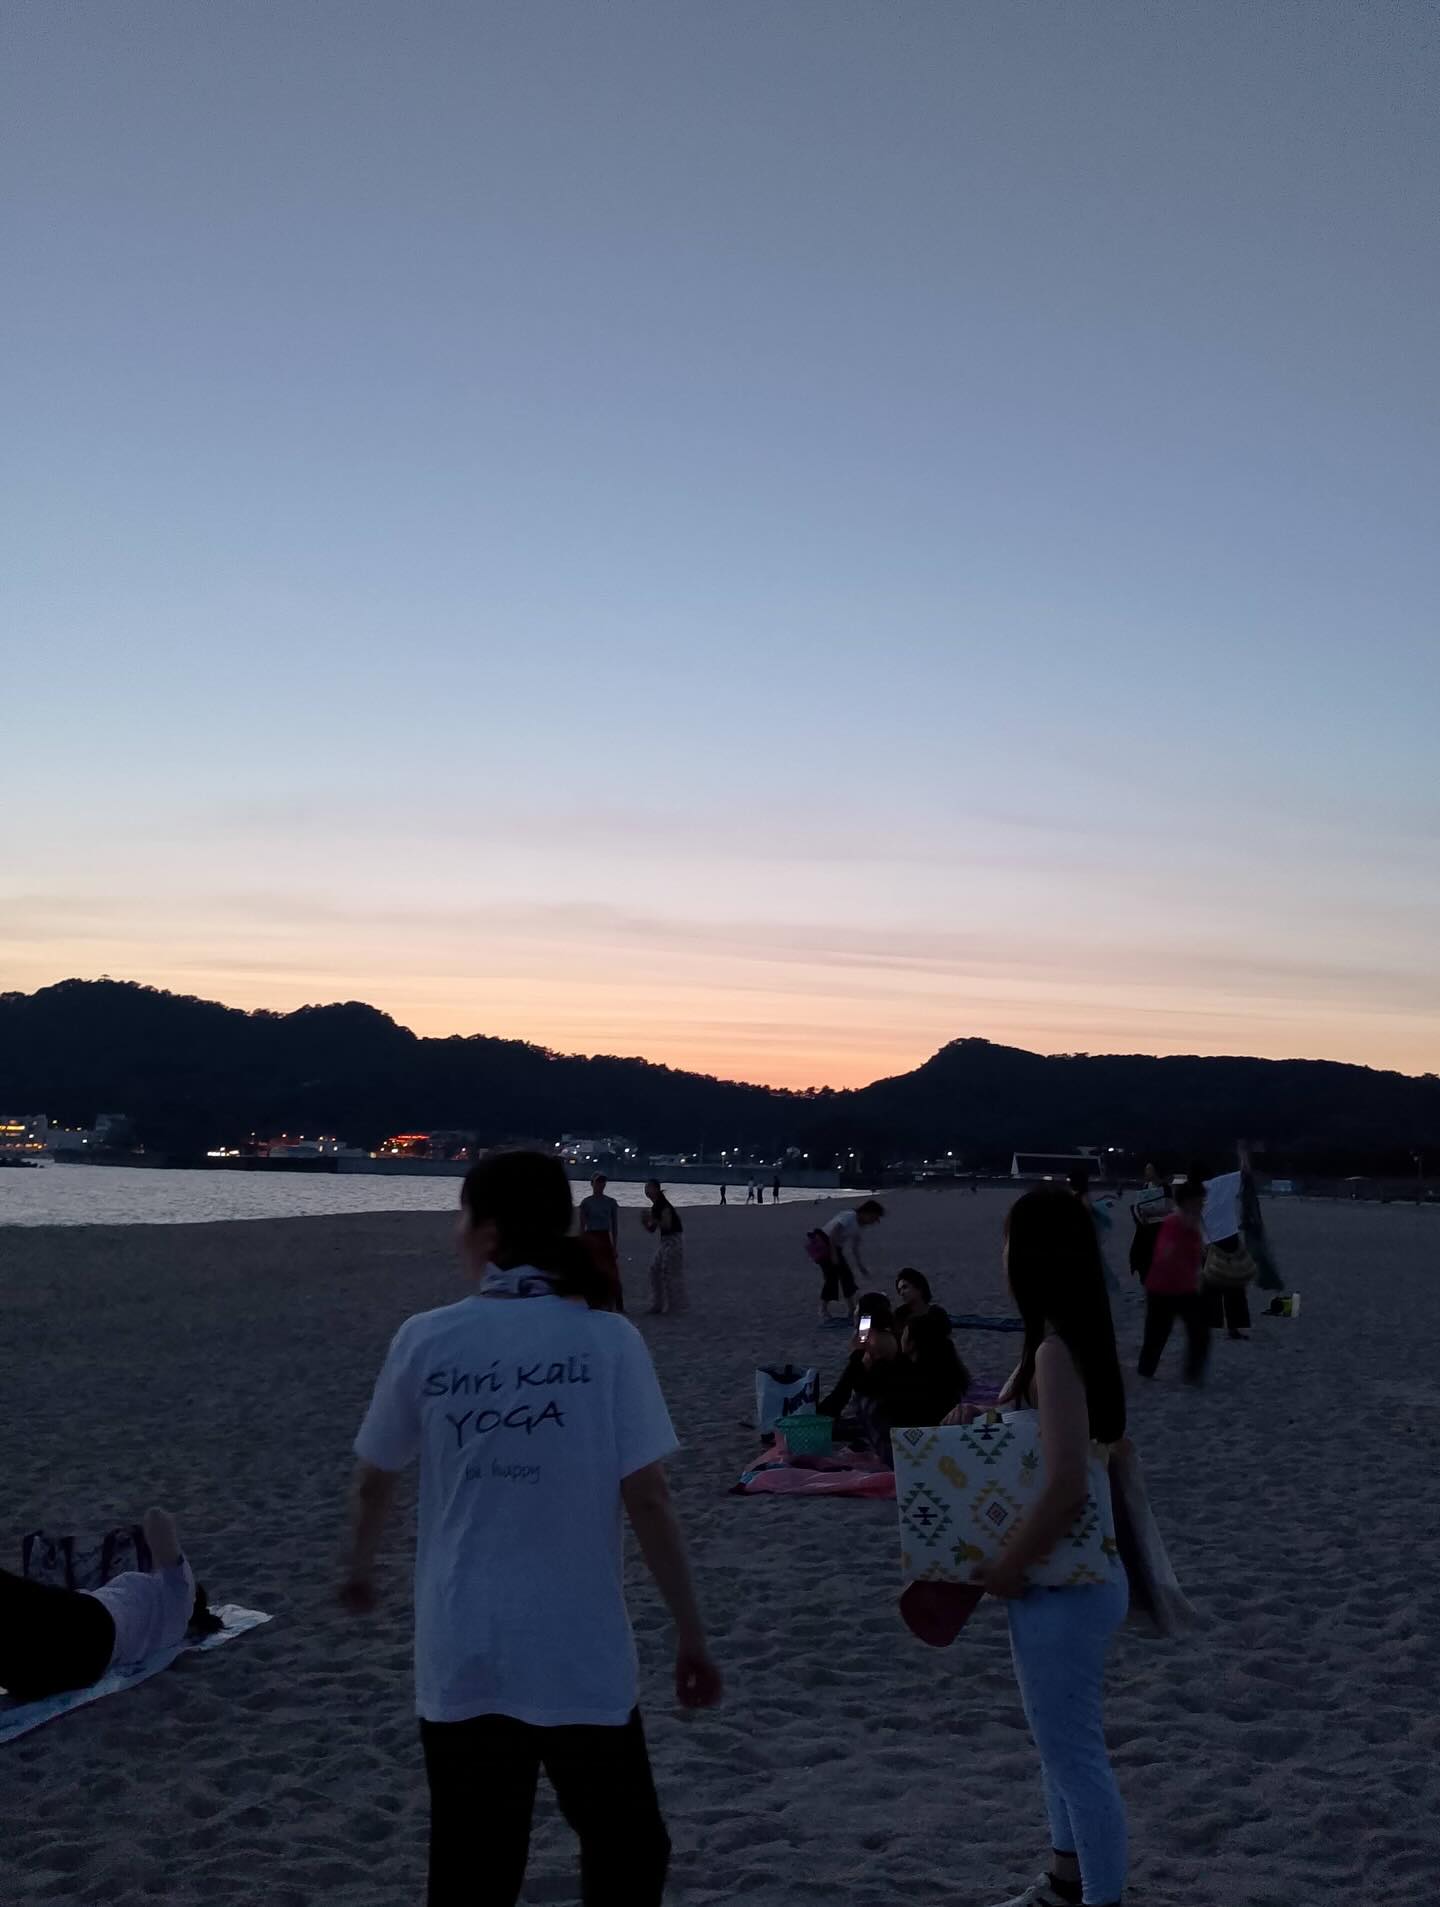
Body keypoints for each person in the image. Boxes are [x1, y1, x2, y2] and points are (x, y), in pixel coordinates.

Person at [341, 1149, 721, 1907]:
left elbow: (375, 1476)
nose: (456, 1233)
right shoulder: (607, 1340)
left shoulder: (427, 1338)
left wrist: (358, 1566)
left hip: (463, 1642)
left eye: (461, 1217)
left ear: (486, 1233)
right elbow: (649, 1499)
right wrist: (690, 1632)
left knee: (474, 1865)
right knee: (626, 1847)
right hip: (576, 1648)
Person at [978, 1187, 1129, 1907]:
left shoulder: (1055, 1351)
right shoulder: (1067, 1340)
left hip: (1063, 1582)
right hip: (1072, 1578)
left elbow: (1067, 1481)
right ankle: (1066, 1882)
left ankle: (1098, 1896)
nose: (1002, 1255)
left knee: (1075, 1757)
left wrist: (1009, 1565)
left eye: (1008, 1240)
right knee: (1058, 1746)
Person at [0, 1507, 217, 1703]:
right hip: (88, 1663)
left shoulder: (181, 1594)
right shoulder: (169, 1623)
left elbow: (156, 1518)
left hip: (93, 1626)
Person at [1136, 1179, 1210, 1383]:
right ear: (1188, 1202)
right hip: (1161, 1290)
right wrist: (1173, 1250)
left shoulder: (1194, 1224)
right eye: (1199, 1201)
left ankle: (1192, 1375)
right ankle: (1145, 1372)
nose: (1202, 1205)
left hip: (1185, 1289)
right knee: (1157, 1335)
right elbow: (1164, 1253)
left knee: (1199, 1331)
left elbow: (1197, 1256)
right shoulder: (1173, 1222)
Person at [812, 1199, 885, 1321]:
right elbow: (833, 1234)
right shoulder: (849, 1216)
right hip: (824, 1243)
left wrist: (860, 1266)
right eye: (873, 1217)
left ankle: (851, 1309)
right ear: (866, 1212)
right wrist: (833, 1254)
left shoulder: (859, 1226)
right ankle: (823, 1309)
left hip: (835, 1247)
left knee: (846, 1276)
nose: (872, 1221)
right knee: (831, 1277)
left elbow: (854, 1248)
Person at [577, 1173, 623, 1312]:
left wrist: (615, 1246)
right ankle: (592, 1300)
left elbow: (614, 1226)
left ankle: (618, 1304)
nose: (600, 1185)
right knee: (592, 1270)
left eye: (603, 1182)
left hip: (604, 1236)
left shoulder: (610, 1202)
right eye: (598, 1182)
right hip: (592, 1236)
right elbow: (582, 1226)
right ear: (592, 1184)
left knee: (612, 1271)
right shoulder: (586, 1203)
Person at [641, 1180, 687, 1315]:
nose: (646, 1191)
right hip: (665, 1241)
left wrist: (651, 1218)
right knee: (655, 1270)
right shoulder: (656, 1206)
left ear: (656, 1189)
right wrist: (645, 1222)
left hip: (674, 1239)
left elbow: (666, 1224)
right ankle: (658, 1304)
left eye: (648, 1188)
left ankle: (672, 1306)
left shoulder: (662, 1204)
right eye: (645, 1189)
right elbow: (652, 1229)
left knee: (668, 1272)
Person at [893, 1267, 950, 1334]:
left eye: (905, 1287)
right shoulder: (900, 1315)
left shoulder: (937, 1314)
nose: (901, 1293)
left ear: (919, 1287)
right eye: (899, 1290)